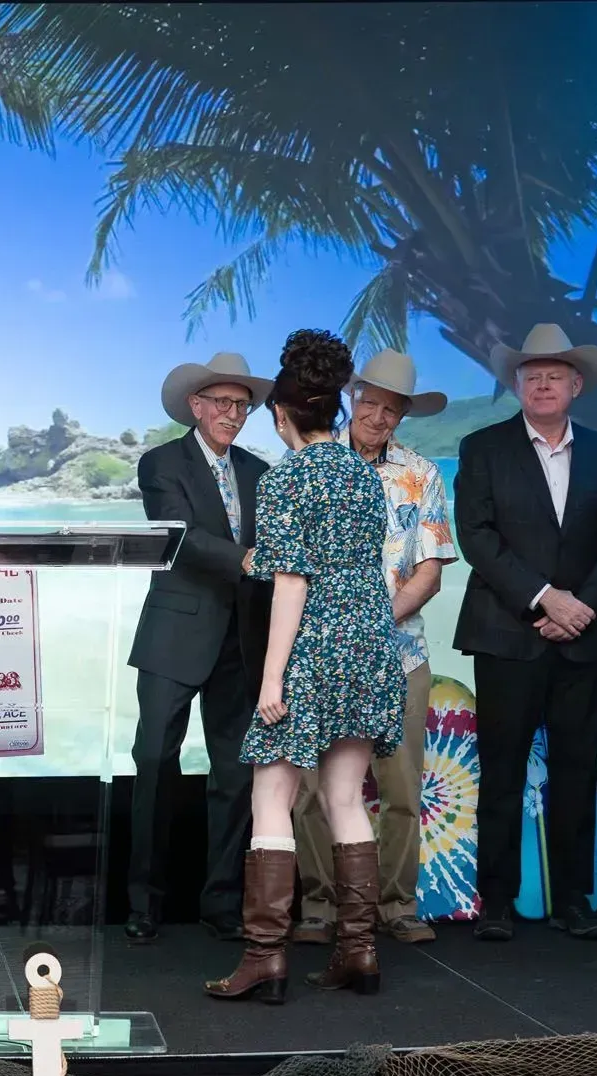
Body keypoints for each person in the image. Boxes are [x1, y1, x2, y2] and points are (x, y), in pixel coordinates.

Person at [206, 329, 405, 1005]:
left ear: (280, 415)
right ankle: (361, 953)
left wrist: (270, 680)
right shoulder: (362, 473)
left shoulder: (285, 476)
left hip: (314, 646)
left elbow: (291, 582)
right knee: (347, 798)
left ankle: (264, 956)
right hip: (370, 641)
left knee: (271, 796)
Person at [451, 325, 597, 943]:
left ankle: (574, 899)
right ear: (517, 386)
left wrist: (579, 606)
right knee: (500, 770)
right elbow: (477, 537)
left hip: (583, 635)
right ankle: (497, 900)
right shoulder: (482, 447)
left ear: (576, 386)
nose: (543, 383)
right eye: (532, 376)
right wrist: (544, 598)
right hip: (507, 633)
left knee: (577, 769)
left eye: (555, 375)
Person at [292, 351, 455, 947]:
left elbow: (430, 571)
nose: (378, 415)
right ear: (351, 396)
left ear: (403, 415)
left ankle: (395, 904)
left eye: (391, 408)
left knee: (401, 786)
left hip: (399, 655)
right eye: (369, 401)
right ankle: (320, 906)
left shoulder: (423, 474)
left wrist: (370, 622)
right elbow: (291, 566)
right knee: (310, 787)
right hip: (317, 655)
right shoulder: (311, 463)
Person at [124, 353, 271, 944]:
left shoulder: (262, 471)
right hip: (175, 635)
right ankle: (143, 903)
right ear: (196, 406)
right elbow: (178, 535)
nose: (231, 414)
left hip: (243, 640)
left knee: (235, 777)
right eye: (221, 403)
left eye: (241, 405)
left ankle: (222, 904)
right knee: (155, 764)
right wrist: (246, 559)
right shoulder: (162, 461)